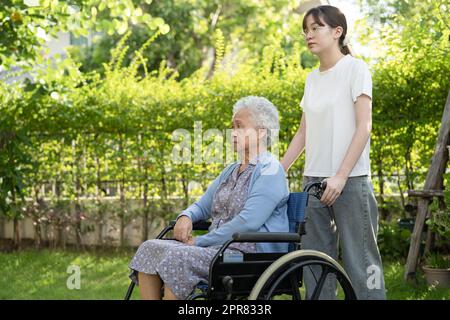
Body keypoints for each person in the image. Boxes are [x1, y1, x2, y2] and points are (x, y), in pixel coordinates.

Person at [128, 96, 289, 300]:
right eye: (232, 126)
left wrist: (202, 241)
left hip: (248, 255)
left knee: (179, 257)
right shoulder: (231, 170)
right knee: (149, 248)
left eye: (239, 126)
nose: (233, 133)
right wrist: (186, 216)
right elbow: (203, 205)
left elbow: (248, 222)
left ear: (261, 133)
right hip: (219, 249)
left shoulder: (270, 171)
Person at [280, 5, 386, 299]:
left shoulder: (356, 69)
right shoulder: (312, 79)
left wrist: (340, 176)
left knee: (363, 263)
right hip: (313, 183)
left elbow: (364, 127)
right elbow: (303, 133)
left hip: (350, 181)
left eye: (316, 28)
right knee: (315, 264)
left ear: (337, 31)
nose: (308, 35)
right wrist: (278, 172)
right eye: (305, 30)